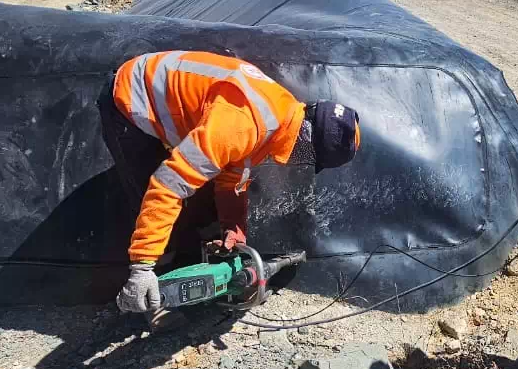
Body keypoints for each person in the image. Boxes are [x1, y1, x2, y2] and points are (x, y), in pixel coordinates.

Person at [100, 51, 361, 315]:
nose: (301, 164)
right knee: (158, 193)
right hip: (132, 96)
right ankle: (145, 294)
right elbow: (167, 184)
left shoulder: (278, 115)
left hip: (165, 98)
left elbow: (231, 179)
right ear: (307, 145)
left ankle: (164, 282)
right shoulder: (245, 124)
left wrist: (233, 230)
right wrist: (142, 267)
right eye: (309, 159)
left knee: (186, 201)